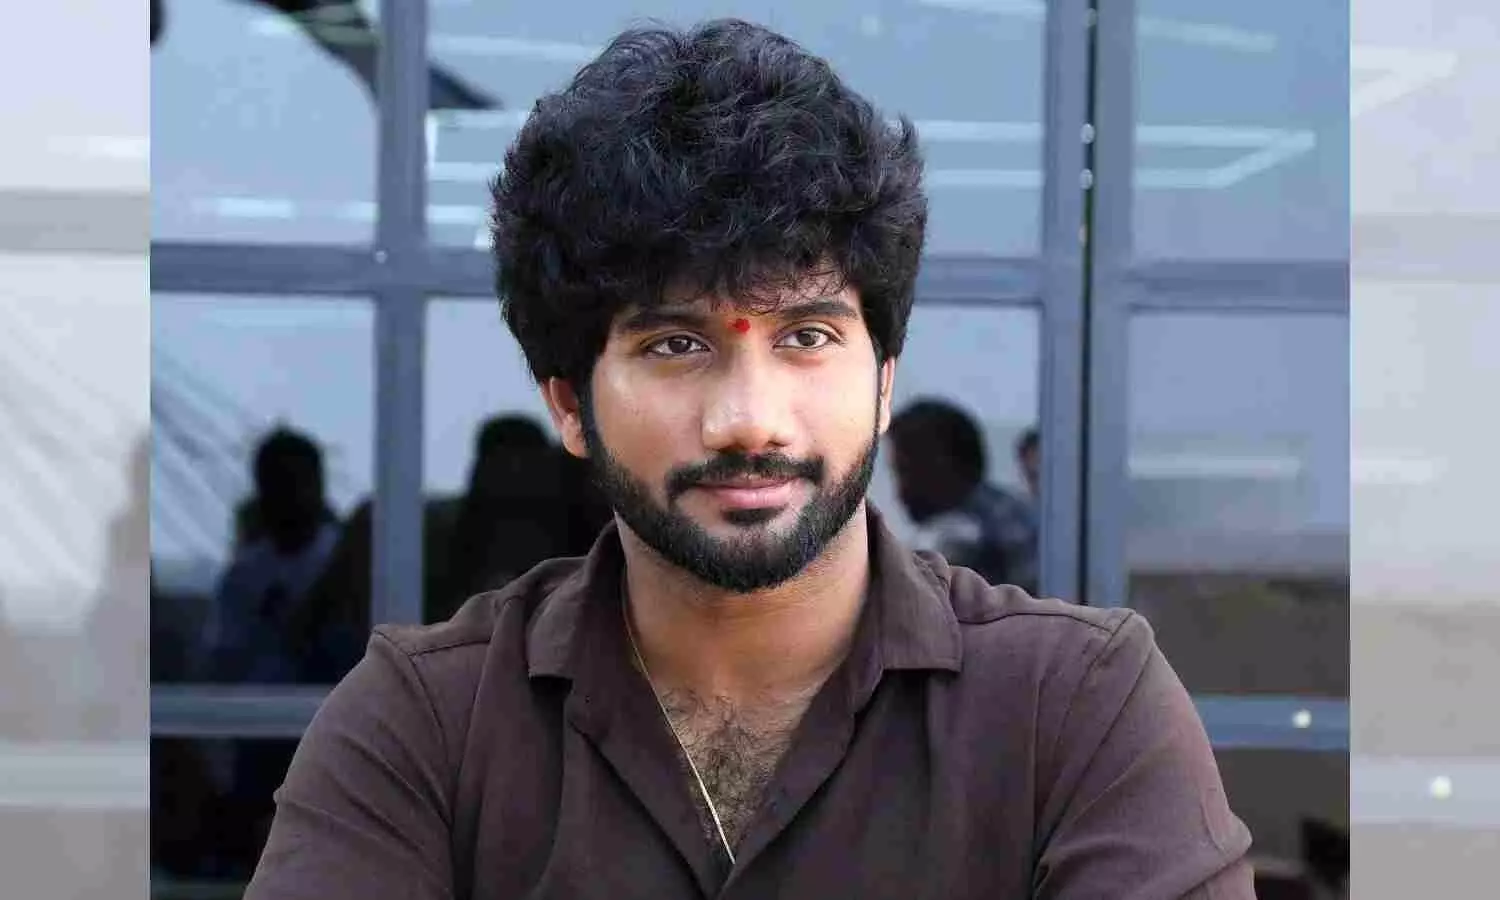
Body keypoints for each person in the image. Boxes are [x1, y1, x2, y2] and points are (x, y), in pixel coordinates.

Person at [246, 20, 1252, 899]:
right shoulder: (427, 726)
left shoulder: (1074, 706)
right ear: (570, 404)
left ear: (884, 381)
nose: (749, 420)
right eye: (675, 345)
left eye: (807, 337)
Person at [888, 400, 1040, 593]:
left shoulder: (959, 539)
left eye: (905, 471)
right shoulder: (1011, 510)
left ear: (941, 464)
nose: (900, 492)